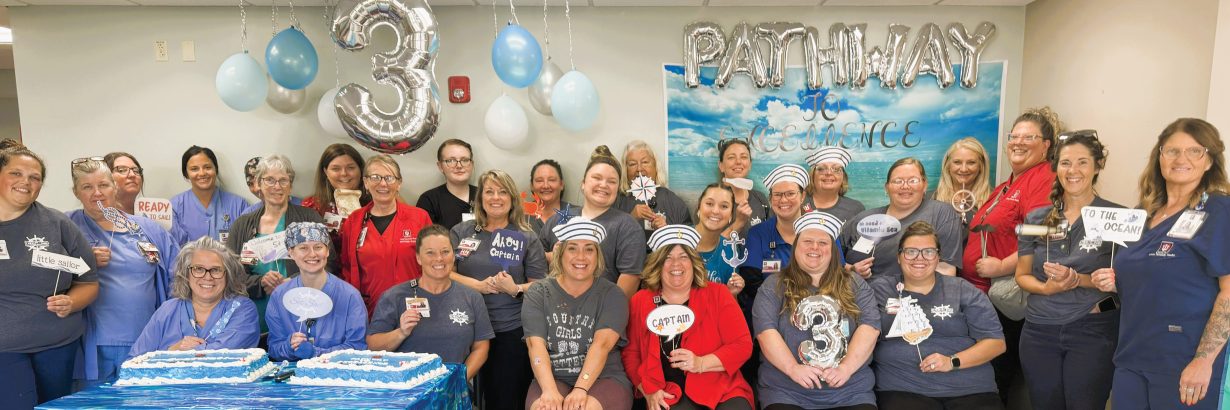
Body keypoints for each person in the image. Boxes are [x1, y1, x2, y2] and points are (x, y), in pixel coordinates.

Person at [1093, 118, 1230, 409]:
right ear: (1160, 157)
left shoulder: (1219, 210)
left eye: (1195, 151)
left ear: (1209, 161)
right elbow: (1146, 278)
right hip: (1132, 357)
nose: (1182, 159)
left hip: (1185, 364)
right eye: (1172, 151)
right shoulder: (1142, 214)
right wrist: (1113, 282)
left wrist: (1203, 361)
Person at [961, 107, 1062, 402]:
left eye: (1029, 137)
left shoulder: (1043, 177)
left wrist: (1003, 265)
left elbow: (1046, 232)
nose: (1018, 142)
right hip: (984, 295)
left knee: (996, 380)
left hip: (1006, 297)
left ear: (1046, 145)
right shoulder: (1008, 184)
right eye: (1014, 136)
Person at [1013, 131, 1120, 410]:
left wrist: (1078, 280)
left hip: (1092, 330)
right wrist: (1046, 288)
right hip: (1038, 331)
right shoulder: (1036, 219)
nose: (1073, 171)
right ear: (1056, 167)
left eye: (1083, 162)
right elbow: (1022, 276)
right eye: (1065, 163)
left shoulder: (1118, 218)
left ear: (1098, 166)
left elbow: (1129, 281)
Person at [66, 158, 179, 386]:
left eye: (103, 185)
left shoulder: (147, 229)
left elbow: (178, 275)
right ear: (76, 192)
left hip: (146, 340)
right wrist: (83, 262)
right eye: (87, 187)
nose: (97, 193)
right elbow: (43, 273)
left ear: (114, 187)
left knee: (143, 400)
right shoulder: (66, 226)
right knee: (97, 401)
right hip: (91, 345)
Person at [0, 147, 99, 406]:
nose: (26, 182)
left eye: (34, 177)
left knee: (54, 406)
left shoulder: (57, 223)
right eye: (16, 173)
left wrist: (72, 302)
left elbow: (89, 282)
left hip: (57, 346)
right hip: (5, 348)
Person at [871, 221, 1005, 409]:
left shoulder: (963, 290)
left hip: (970, 389)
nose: (919, 258)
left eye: (928, 252)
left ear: (938, 257)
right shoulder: (880, 290)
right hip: (903, 390)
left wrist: (952, 361)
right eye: (911, 251)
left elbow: (996, 343)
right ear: (899, 257)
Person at [753, 212, 879, 410]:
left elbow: (870, 327)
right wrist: (792, 368)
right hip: (786, 392)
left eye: (823, 243)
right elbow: (765, 332)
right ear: (796, 247)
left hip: (850, 393)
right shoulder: (773, 285)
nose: (814, 247)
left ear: (833, 250)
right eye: (807, 241)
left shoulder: (856, 284)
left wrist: (845, 369)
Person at [623, 225, 754, 410]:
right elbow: (631, 354)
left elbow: (742, 345)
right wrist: (647, 390)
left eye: (683, 257)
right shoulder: (640, 301)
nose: (676, 264)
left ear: (694, 262)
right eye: (667, 258)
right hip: (667, 392)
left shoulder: (718, 294)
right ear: (657, 264)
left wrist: (701, 363)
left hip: (721, 389)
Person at [450, 169, 547, 409]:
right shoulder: (461, 232)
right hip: (464, 327)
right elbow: (444, 272)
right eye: (489, 192)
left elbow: (541, 286)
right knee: (456, 394)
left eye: (502, 192)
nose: (496, 198)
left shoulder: (526, 237)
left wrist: (515, 288)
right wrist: (478, 286)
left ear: (512, 198)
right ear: (480, 198)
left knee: (504, 399)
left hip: (508, 329)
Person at [522, 218, 632, 410]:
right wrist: (548, 390)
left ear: (597, 256)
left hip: (604, 377)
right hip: (553, 376)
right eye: (572, 248)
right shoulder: (539, 292)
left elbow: (602, 345)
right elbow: (535, 345)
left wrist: (581, 388)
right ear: (560, 253)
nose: (581, 257)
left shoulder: (612, 294)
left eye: (589, 249)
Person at [367, 225, 493, 381]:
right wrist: (401, 333)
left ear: (453, 255)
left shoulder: (472, 297)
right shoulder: (394, 296)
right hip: (407, 389)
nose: (439, 258)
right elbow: (373, 346)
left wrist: (458, 380)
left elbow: (481, 347)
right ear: (418, 258)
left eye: (445, 252)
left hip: (453, 388)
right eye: (430, 253)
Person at [226, 155, 332, 331]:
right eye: (269, 180)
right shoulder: (242, 225)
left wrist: (292, 282)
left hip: (300, 310)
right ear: (259, 184)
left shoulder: (309, 218)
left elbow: (329, 264)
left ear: (290, 185)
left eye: (283, 180)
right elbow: (230, 274)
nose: (277, 186)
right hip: (255, 313)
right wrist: (260, 282)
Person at [541, 145, 646, 298]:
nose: (603, 185)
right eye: (597, 178)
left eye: (612, 181)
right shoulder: (557, 220)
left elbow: (627, 285)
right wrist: (552, 256)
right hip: (554, 306)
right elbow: (534, 264)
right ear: (583, 183)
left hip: (602, 310)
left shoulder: (628, 227)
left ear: (618, 189)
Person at [128, 237, 259, 357]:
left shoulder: (243, 309)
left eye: (216, 270)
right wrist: (171, 350)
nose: (207, 277)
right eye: (198, 269)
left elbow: (220, 356)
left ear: (228, 274)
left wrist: (171, 354)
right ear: (186, 273)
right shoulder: (167, 310)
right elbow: (134, 361)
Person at [840, 158, 964, 280]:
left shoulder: (941, 214)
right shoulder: (864, 218)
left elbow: (945, 270)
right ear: (887, 188)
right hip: (855, 290)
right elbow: (833, 257)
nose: (905, 186)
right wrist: (851, 270)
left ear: (925, 185)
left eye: (913, 180)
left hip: (907, 292)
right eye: (897, 181)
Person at [340, 154, 433, 314]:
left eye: (389, 178)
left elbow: (432, 263)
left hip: (413, 306)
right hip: (369, 308)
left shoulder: (419, 218)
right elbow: (347, 269)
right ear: (366, 182)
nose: (383, 183)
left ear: (399, 183)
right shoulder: (354, 221)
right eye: (375, 177)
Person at [265, 222, 367, 362]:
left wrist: (316, 353)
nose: (312, 254)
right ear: (291, 252)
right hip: (292, 374)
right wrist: (289, 346)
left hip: (336, 374)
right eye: (303, 248)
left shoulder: (349, 296)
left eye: (318, 247)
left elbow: (357, 347)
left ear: (327, 251)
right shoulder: (279, 296)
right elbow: (274, 348)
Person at [170, 145, 249, 245]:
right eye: (194, 169)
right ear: (186, 174)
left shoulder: (239, 205)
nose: (202, 173)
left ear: (216, 169)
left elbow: (248, 245)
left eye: (207, 167)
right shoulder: (174, 207)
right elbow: (173, 246)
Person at [614, 140, 693, 237]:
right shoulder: (617, 201)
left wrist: (667, 230)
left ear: (655, 166)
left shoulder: (673, 202)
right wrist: (631, 219)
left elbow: (688, 237)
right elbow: (608, 238)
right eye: (632, 164)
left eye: (645, 162)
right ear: (625, 170)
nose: (639, 169)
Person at [302, 144, 371, 238]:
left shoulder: (375, 205)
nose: (344, 173)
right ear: (325, 172)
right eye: (336, 169)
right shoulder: (311, 207)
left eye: (350, 168)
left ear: (361, 170)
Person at [694, 183, 746, 295]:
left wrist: (730, 293)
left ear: (731, 215)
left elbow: (730, 303)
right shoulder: (679, 240)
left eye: (724, 206)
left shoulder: (730, 250)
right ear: (699, 207)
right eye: (709, 204)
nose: (716, 211)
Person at [931, 138, 992, 227]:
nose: (964, 169)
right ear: (948, 166)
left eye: (971, 163)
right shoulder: (931, 200)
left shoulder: (994, 201)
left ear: (981, 167)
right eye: (957, 162)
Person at [417, 139, 476, 229]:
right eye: (451, 160)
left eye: (465, 160)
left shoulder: (486, 195)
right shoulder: (429, 201)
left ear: (472, 164)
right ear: (440, 166)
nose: (459, 166)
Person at [716, 138, 770, 235]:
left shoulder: (760, 199)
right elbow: (706, 243)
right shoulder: (711, 201)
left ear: (750, 165)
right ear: (721, 166)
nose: (738, 162)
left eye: (744, 157)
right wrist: (738, 223)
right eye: (731, 157)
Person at [803, 146, 866, 222]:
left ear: (843, 177)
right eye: (821, 169)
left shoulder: (856, 209)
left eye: (836, 169)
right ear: (812, 175)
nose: (829, 173)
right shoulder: (797, 203)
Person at [528, 159, 575, 232]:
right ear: (532, 186)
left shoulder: (577, 214)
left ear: (561, 184)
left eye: (552, 180)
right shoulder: (518, 216)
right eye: (539, 180)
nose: (546, 186)